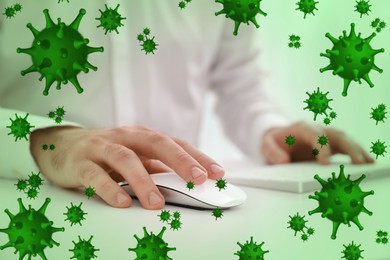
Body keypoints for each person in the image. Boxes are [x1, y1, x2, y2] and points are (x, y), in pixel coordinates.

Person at [0, 1, 373, 210]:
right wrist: (43, 141)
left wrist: (271, 129)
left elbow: (240, 82)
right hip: (31, 200)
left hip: (170, 212)